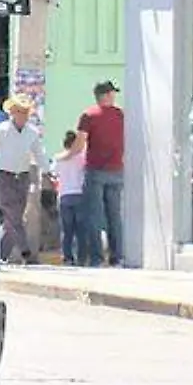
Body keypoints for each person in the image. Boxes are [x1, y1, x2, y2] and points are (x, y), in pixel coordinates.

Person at [0, 96, 47, 264]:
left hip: (22, 175)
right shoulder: (0, 131)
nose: (22, 115)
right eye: (19, 111)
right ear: (12, 112)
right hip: (2, 175)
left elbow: (38, 154)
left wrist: (48, 170)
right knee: (13, 214)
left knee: (14, 218)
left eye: (25, 112)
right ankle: (26, 252)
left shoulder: (32, 133)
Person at [74, 81, 127, 267]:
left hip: (96, 170)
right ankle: (117, 257)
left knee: (94, 216)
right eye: (113, 93)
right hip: (117, 170)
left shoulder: (88, 115)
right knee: (115, 216)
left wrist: (64, 156)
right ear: (107, 95)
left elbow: (79, 145)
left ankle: (96, 258)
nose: (114, 96)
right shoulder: (121, 115)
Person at [52, 131, 88, 266]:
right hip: (80, 195)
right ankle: (82, 259)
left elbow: (53, 174)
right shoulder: (83, 157)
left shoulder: (58, 158)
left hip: (64, 196)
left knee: (67, 231)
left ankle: (67, 258)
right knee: (81, 231)